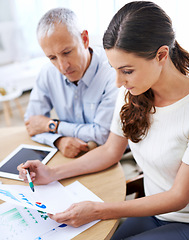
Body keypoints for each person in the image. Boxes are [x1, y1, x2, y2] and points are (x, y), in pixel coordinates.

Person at [18, 1, 189, 239]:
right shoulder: (133, 91)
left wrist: (99, 210)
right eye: (114, 69)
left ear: (161, 55)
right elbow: (110, 151)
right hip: (153, 211)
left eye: (127, 70)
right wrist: (52, 173)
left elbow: (178, 197)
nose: (118, 82)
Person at [24, 8, 118, 158]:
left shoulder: (113, 73)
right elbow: (32, 123)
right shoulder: (48, 72)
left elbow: (103, 135)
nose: (62, 66)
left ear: (85, 40)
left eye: (67, 52)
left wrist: (53, 125)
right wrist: (59, 140)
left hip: (115, 158)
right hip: (71, 157)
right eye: (52, 58)